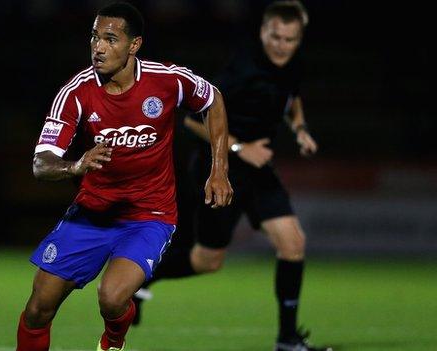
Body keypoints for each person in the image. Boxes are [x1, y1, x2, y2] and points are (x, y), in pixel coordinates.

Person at [16, 2, 233, 351]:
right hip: (91, 214)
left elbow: (213, 100)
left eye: (110, 38)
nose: (98, 47)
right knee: (39, 308)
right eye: (94, 37)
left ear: (134, 45)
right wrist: (74, 166)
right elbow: (41, 163)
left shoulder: (168, 80)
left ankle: (113, 340)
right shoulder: (76, 93)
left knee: (112, 298)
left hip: (149, 215)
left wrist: (219, 170)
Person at [133, 2, 332, 351]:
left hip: (258, 169)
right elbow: (194, 119)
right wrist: (240, 149)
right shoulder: (243, 69)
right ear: (263, 32)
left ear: (298, 39)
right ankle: (141, 275)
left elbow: (292, 99)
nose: (280, 45)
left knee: (293, 243)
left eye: (289, 39)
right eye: (275, 36)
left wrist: (300, 129)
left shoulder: (294, 65)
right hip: (222, 169)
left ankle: (287, 340)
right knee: (208, 261)